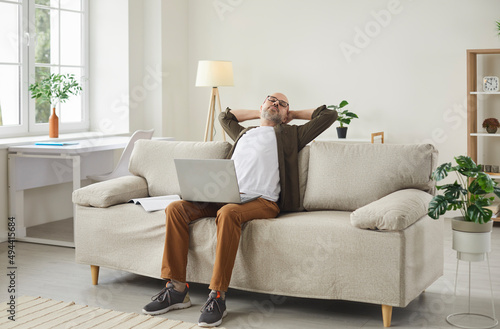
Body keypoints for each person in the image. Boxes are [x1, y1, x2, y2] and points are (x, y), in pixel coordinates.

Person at [142, 92, 338, 327]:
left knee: (228, 213)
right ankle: (176, 290)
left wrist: (290, 115)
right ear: (261, 104)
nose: (275, 104)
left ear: (287, 114)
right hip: (225, 195)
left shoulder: (292, 134)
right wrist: (262, 112)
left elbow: (328, 115)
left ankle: (217, 296)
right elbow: (225, 117)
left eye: (282, 103)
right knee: (175, 208)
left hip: (263, 201)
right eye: (271, 100)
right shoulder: (245, 133)